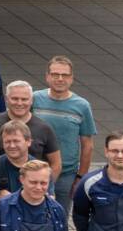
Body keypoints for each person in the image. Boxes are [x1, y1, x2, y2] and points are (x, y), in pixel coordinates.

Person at [32, 56, 100, 205]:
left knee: (60, 218)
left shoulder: (82, 106)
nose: (60, 79)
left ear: (72, 78)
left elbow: (87, 145)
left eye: (65, 75)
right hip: (33, 172)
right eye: (55, 74)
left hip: (66, 176)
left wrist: (80, 177)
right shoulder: (34, 99)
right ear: (47, 77)